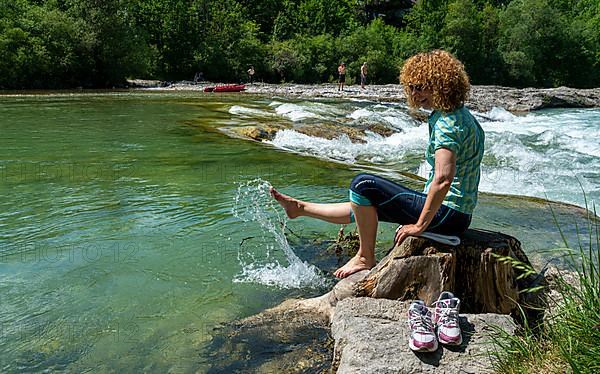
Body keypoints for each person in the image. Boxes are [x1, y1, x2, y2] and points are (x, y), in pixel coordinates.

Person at [270, 50, 485, 279]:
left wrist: (419, 226)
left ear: (441, 83)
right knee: (366, 205)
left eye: (421, 86)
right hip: (456, 215)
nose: (415, 93)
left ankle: (365, 257)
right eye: (411, 87)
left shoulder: (447, 125)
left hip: (447, 215)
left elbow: (443, 180)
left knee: (363, 185)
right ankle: (300, 208)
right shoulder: (461, 116)